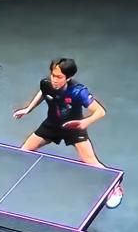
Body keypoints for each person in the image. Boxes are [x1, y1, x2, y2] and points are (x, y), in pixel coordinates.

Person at [12, 57, 123, 208]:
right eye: (53, 75)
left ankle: (115, 188)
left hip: (73, 128)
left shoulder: (78, 91)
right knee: (24, 150)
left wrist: (84, 122)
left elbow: (100, 111)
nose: (54, 80)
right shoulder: (46, 83)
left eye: (59, 77)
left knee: (90, 161)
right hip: (51, 125)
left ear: (68, 78)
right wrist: (28, 109)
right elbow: (43, 93)